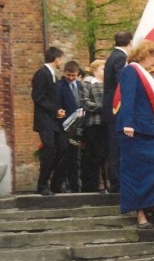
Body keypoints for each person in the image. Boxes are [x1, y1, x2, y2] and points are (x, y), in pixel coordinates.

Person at [116, 40, 154, 227]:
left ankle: (150, 203)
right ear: (145, 55)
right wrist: (128, 123)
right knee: (136, 172)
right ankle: (141, 213)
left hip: (149, 128)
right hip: (134, 130)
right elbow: (128, 97)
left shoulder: (145, 75)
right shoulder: (131, 71)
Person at [32, 47, 66, 196]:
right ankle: (42, 184)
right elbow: (38, 97)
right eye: (61, 58)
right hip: (45, 120)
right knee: (49, 148)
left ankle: (55, 183)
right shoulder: (42, 74)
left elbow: (52, 97)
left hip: (54, 121)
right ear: (56, 58)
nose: (62, 62)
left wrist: (59, 109)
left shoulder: (53, 75)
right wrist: (54, 110)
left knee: (63, 147)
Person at [102, 30, 133, 194]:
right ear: (130, 43)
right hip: (116, 109)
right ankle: (116, 183)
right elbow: (123, 83)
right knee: (116, 147)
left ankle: (116, 181)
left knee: (115, 147)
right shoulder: (120, 58)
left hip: (111, 110)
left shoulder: (112, 56)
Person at [55, 60, 83, 193]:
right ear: (65, 73)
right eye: (69, 75)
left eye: (74, 76)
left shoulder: (80, 86)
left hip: (79, 126)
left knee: (76, 158)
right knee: (67, 157)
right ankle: (66, 185)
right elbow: (59, 106)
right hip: (65, 126)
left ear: (78, 74)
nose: (71, 78)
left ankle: (76, 186)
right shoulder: (60, 86)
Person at [79, 59, 106, 193]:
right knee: (93, 155)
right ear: (95, 70)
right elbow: (84, 102)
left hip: (106, 123)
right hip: (93, 123)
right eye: (102, 69)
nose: (105, 71)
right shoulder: (87, 83)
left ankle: (105, 182)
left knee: (104, 155)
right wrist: (100, 107)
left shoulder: (109, 85)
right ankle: (91, 185)